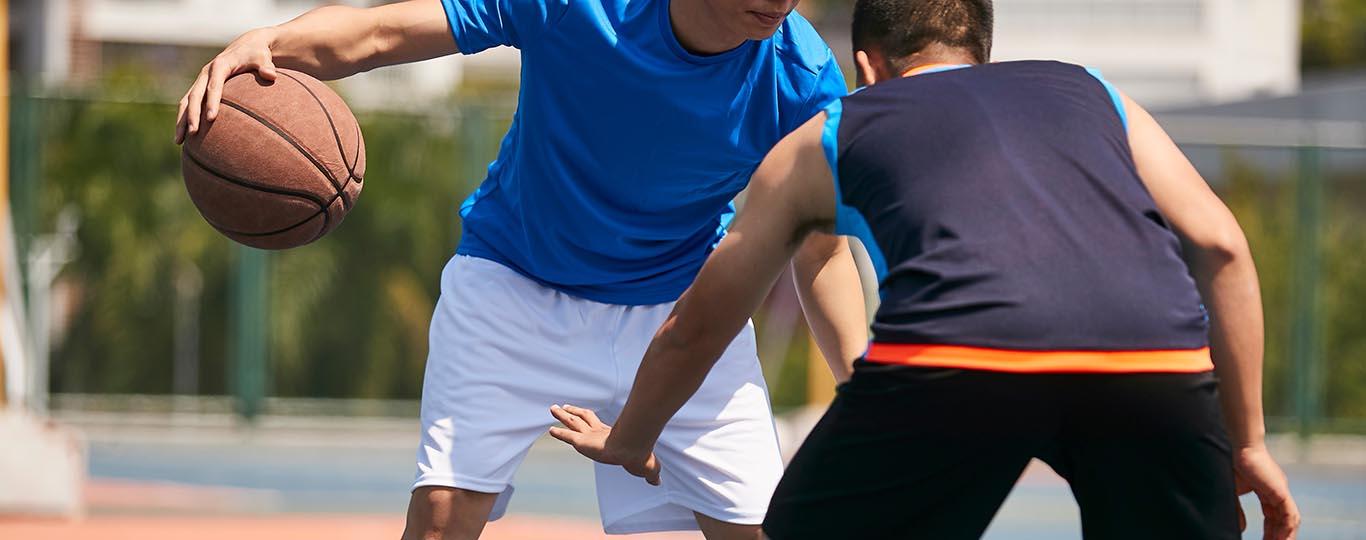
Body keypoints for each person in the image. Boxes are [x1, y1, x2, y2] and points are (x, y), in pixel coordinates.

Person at [547, 0, 1303, 538]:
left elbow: (701, 321)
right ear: (983, 58)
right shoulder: (1091, 91)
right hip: (1155, 360)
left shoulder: (834, 126)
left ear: (867, 65)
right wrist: (1249, 443)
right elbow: (1223, 248)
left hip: (956, 355)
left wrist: (629, 439)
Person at [173, 0, 870, 538]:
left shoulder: (802, 77)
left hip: (681, 313)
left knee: (754, 532)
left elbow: (822, 251)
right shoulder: (578, 6)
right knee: (440, 520)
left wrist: (864, 388)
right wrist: (267, 44)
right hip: (513, 284)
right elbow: (384, 33)